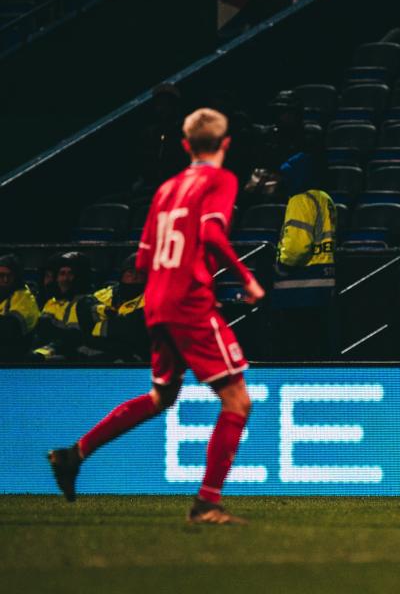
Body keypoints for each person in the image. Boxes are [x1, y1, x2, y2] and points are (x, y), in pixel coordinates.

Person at [48, 108, 265, 524]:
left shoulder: (165, 189)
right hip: (189, 302)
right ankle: (207, 503)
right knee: (237, 400)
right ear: (226, 144)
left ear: (185, 146)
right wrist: (245, 279)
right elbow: (212, 232)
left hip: (157, 301)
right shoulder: (220, 179)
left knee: (161, 397)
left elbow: (144, 259)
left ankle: (73, 455)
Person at [246, 152, 337, 360]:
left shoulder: (299, 200)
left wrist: (281, 264)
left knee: (295, 351)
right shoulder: (324, 198)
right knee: (319, 351)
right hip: (323, 283)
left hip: (298, 288)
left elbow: (296, 247)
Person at [80, 253, 148, 362]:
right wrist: (106, 312)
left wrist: (95, 327)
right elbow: (83, 309)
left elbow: (135, 331)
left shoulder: (152, 298)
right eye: (130, 272)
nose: (135, 277)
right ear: (122, 275)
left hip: (132, 357)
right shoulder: (107, 292)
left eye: (140, 273)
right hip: (94, 354)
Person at [32, 251, 97, 362]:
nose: (65, 279)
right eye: (62, 274)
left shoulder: (86, 302)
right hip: (50, 350)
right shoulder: (51, 302)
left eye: (70, 273)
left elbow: (76, 339)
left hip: (75, 357)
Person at [0, 253, 40, 362]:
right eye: (1, 275)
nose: (5, 280)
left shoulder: (25, 298)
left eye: (9, 275)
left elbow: (9, 330)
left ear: (17, 276)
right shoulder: (4, 296)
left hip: (16, 360)